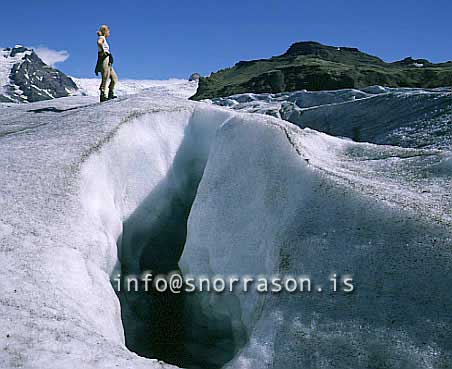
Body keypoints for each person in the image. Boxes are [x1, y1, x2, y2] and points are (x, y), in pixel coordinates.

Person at [95, 25, 118, 102]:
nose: (109, 33)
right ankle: (103, 95)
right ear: (105, 31)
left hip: (108, 60)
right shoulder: (102, 38)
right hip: (104, 59)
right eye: (108, 31)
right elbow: (99, 43)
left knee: (114, 79)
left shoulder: (103, 38)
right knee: (105, 77)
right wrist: (102, 51)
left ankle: (110, 93)